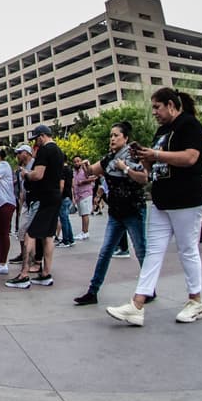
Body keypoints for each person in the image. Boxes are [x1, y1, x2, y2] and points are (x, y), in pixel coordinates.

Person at [107, 88, 202, 327]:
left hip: (186, 199)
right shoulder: (162, 131)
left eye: (157, 107)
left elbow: (191, 157)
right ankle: (137, 304)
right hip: (162, 200)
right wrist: (145, 158)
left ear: (171, 105)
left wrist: (156, 154)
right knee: (153, 252)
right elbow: (152, 170)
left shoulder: (189, 125)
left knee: (187, 249)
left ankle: (196, 301)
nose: (154, 113)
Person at [73, 122, 150, 306]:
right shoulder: (109, 158)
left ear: (125, 138)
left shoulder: (132, 156)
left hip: (133, 210)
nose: (112, 138)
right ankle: (93, 291)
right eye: (111, 135)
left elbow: (144, 178)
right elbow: (93, 170)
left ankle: (149, 288)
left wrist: (125, 168)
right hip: (116, 213)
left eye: (116, 135)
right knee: (105, 252)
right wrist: (85, 166)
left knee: (141, 251)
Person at [6, 125, 64, 289]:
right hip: (55, 196)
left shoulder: (45, 151)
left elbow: (38, 174)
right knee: (48, 236)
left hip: (43, 198)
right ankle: (46, 273)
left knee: (30, 234)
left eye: (36, 139)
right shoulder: (59, 152)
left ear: (42, 136)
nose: (35, 144)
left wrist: (26, 174)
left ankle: (24, 274)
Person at [71, 156, 94, 241]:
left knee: (85, 214)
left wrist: (83, 182)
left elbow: (92, 177)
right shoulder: (74, 172)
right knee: (82, 214)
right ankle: (83, 231)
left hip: (86, 193)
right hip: (78, 195)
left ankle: (85, 232)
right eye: (75, 162)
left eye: (78, 161)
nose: (76, 163)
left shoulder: (84, 169)